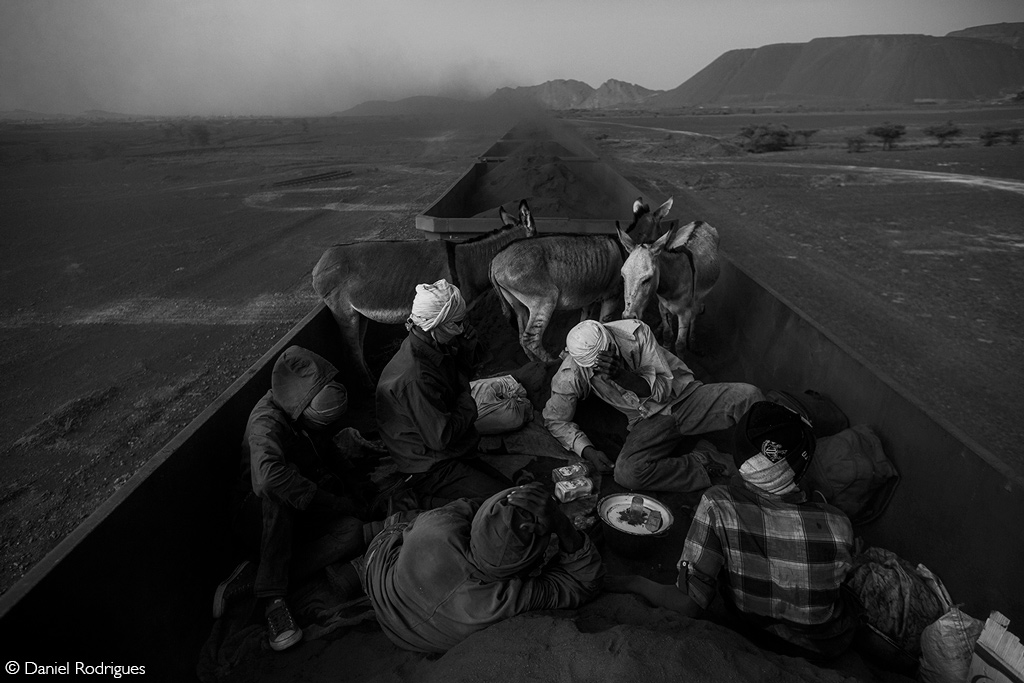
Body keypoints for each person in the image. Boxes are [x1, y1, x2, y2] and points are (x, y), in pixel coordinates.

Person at [606, 401, 859, 660]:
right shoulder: (838, 523)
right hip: (824, 644)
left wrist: (633, 582)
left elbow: (688, 604)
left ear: (737, 454)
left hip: (751, 630)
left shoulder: (718, 505)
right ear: (802, 468)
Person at [212, 345, 372, 652]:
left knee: (352, 531)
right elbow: (268, 479)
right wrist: (333, 501)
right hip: (258, 515)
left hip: (298, 511)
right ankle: (272, 599)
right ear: (302, 407)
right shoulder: (265, 423)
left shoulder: (305, 410)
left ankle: (255, 578)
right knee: (279, 488)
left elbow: (328, 447)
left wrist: (355, 484)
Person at [359, 482, 604, 653]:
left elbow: (468, 506)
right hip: (413, 637)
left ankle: (360, 553)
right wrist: (561, 524)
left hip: (378, 576)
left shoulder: (437, 525)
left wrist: (505, 502)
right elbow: (583, 582)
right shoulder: (502, 602)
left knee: (410, 523)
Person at [543, 318, 763, 493]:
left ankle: (767, 465)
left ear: (609, 337)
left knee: (748, 396)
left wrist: (621, 375)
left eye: (608, 352)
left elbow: (662, 391)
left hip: (684, 398)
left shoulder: (635, 334)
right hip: (647, 420)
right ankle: (705, 463)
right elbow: (555, 419)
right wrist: (588, 451)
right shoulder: (572, 373)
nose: (604, 362)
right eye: (596, 365)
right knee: (627, 473)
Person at [375, 278, 511, 508]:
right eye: (457, 323)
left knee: (511, 490)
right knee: (505, 502)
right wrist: (467, 399)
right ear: (435, 324)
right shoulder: (416, 377)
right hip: (428, 465)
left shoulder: (432, 344)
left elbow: (458, 376)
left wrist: (466, 349)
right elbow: (442, 437)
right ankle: (420, 500)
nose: (462, 329)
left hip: (449, 447)